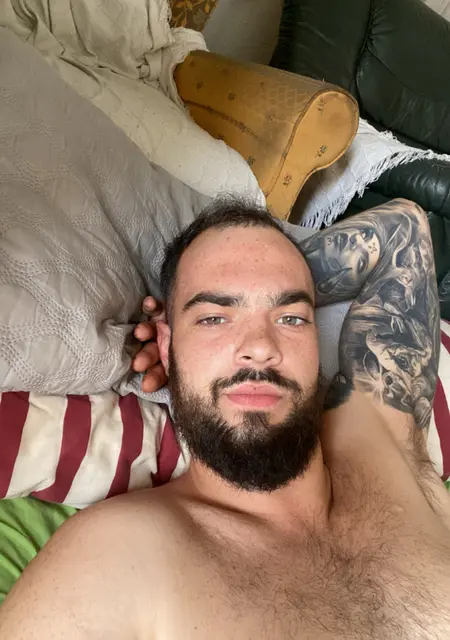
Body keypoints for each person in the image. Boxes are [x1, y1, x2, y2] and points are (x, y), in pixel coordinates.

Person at [1, 198, 449, 639]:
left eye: (291, 318)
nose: (260, 346)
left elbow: (403, 230)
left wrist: (224, 297)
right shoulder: (116, 558)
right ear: (165, 347)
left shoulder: (381, 440)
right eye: (214, 318)